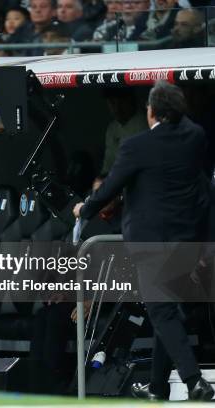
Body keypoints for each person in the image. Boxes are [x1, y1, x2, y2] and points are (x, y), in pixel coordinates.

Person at [73, 81, 213, 401]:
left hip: (150, 242)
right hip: (185, 241)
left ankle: (194, 382)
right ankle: (158, 387)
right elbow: (204, 188)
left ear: (150, 112)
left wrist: (85, 209)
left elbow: (110, 187)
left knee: (162, 311)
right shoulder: (195, 138)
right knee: (169, 312)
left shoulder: (136, 146)